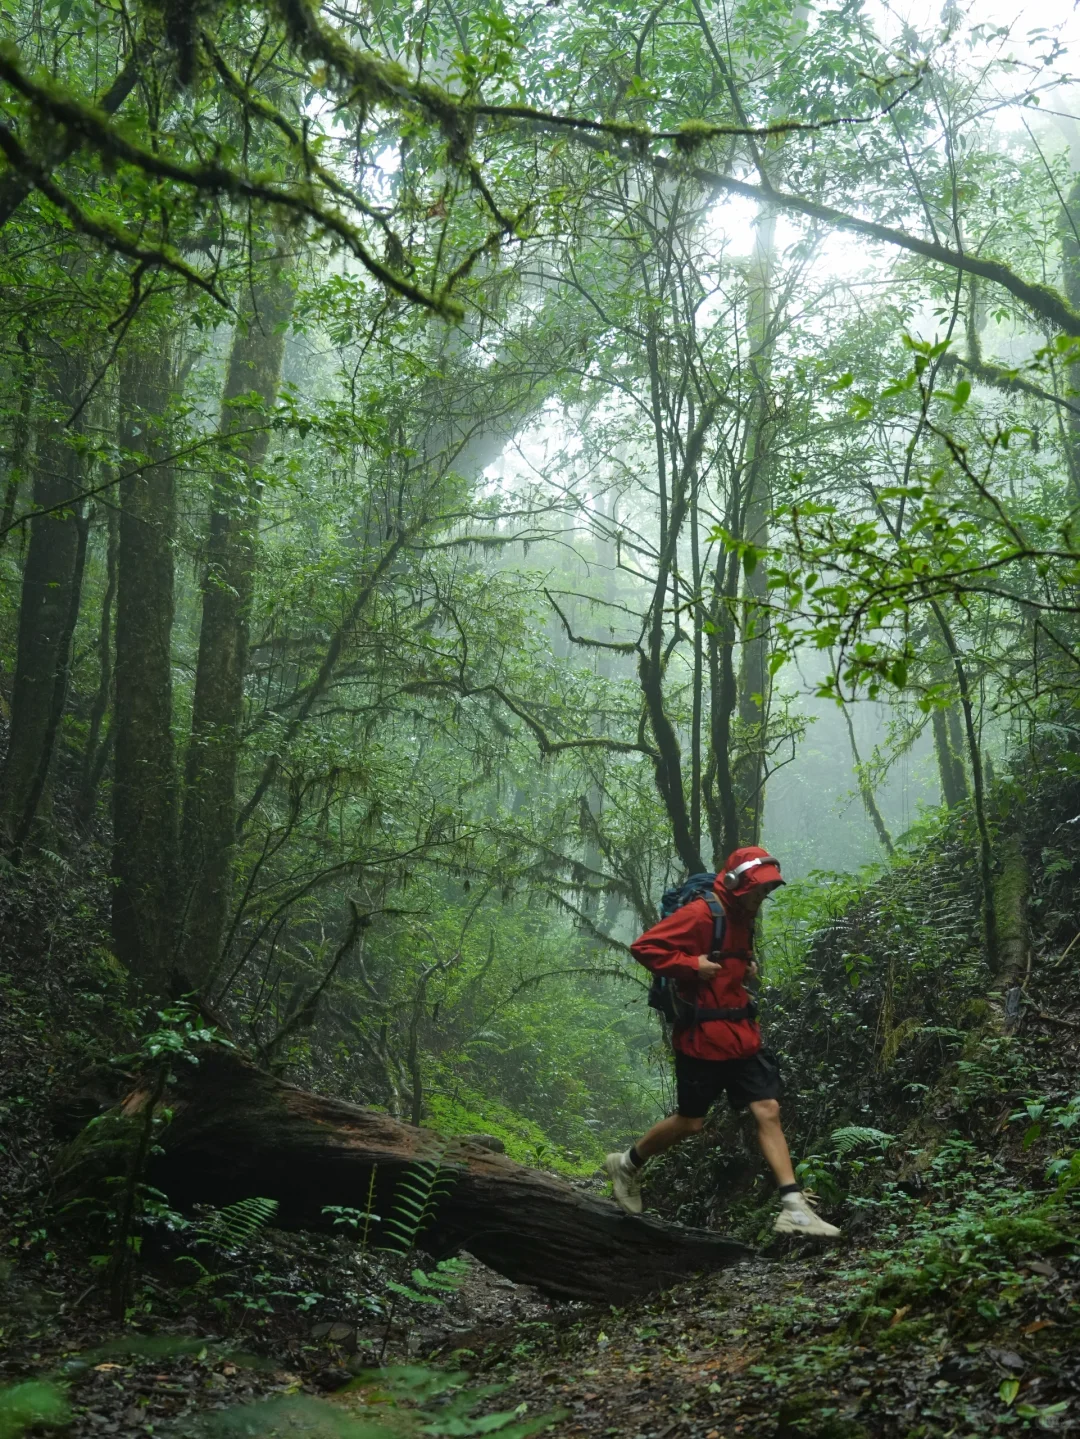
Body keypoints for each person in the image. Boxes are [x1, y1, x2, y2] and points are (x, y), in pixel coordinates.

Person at [605, 846, 840, 1238]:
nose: (761, 899)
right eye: (757, 891)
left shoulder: (743, 916)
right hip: (702, 1039)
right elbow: (645, 947)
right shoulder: (702, 913)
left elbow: (732, 957)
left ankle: (793, 1206)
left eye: (765, 892)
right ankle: (626, 1163)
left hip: (741, 1036)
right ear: (736, 884)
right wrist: (690, 965)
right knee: (691, 1122)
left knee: (767, 1108)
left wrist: (746, 967)